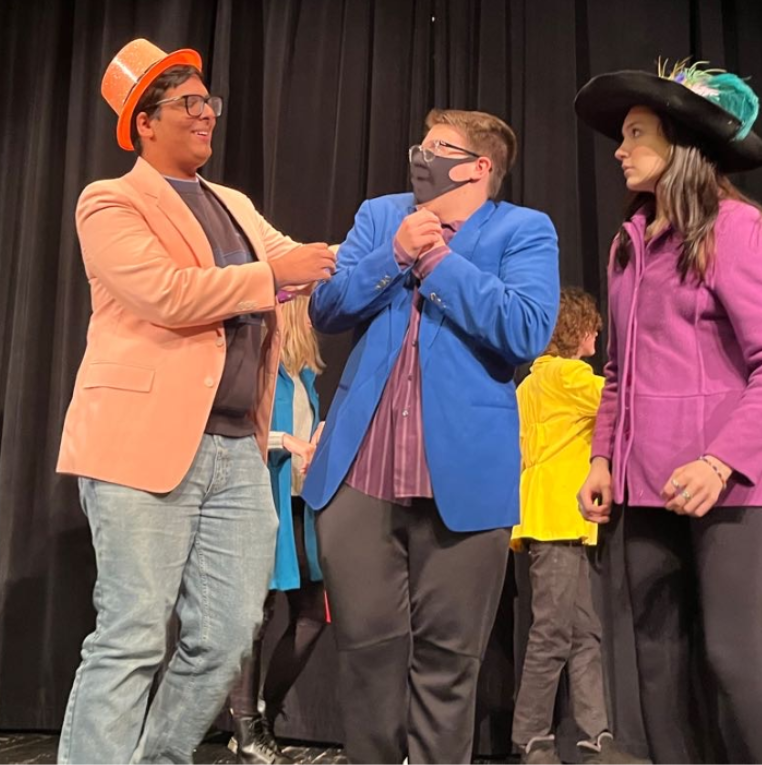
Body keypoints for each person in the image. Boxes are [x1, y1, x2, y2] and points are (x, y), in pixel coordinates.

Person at [56, 39, 335, 764]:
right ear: (145, 123)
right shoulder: (109, 200)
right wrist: (273, 273)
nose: (207, 113)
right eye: (189, 103)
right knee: (133, 633)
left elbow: (297, 262)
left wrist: (383, 245)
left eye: (209, 101)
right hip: (139, 442)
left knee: (224, 633)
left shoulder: (233, 203)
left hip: (234, 448)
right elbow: (167, 294)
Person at [301, 108, 560, 764]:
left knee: (448, 662)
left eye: (440, 148)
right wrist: (393, 254)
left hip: (465, 476)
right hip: (361, 470)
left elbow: (526, 329)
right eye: (421, 144)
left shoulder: (522, 230)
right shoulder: (381, 214)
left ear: (480, 167)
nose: (421, 155)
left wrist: (438, 261)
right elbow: (326, 308)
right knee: (366, 651)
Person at [574, 60, 762, 764]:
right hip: (644, 485)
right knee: (655, 662)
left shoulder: (733, 228)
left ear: (679, 143)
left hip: (726, 485)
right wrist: (600, 457)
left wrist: (719, 459)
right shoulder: (629, 245)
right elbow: (616, 372)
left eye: (635, 134)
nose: (619, 150)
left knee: (732, 657)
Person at [512, 288, 644, 765]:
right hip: (559, 518)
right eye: (591, 326)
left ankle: (594, 739)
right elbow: (622, 404)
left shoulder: (530, 382)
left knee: (583, 631)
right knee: (551, 631)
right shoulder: (570, 376)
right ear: (576, 331)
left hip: (551, 517)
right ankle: (531, 738)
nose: (597, 335)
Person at [227, 295, 327, 765]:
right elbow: (242, 430)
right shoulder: (265, 373)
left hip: (299, 505)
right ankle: (246, 730)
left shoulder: (305, 379)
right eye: (312, 311)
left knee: (312, 612)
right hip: (262, 502)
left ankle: (262, 711)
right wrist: (284, 441)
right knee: (257, 614)